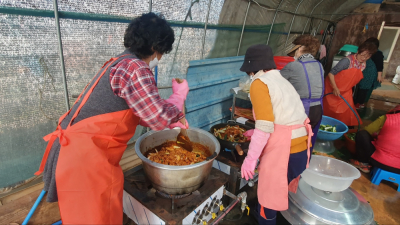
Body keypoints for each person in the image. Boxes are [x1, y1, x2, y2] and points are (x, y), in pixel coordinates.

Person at [34, 13, 189, 224]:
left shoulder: (119, 62)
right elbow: (157, 118)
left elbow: (137, 112)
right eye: (161, 52)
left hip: (75, 154)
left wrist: (172, 119)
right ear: (155, 47)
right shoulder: (135, 69)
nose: (160, 58)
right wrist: (178, 99)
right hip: (87, 161)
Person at [240, 44, 312, 225]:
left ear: (251, 69)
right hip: (301, 150)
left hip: (284, 153)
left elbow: (264, 126)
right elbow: (284, 117)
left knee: (268, 200)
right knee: (275, 195)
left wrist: (250, 159)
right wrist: (254, 131)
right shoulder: (281, 79)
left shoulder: (259, 83)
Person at [281, 35, 324, 154]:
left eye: (294, 51)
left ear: (300, 49)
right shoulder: (319, 65)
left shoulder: (294, 66)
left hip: (303, 110)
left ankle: (289, 168)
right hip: (318, 109)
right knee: (308, 141)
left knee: (296, 143)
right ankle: (303, 166)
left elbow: (277, 82)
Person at [324, 42, 377, 127]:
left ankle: (341, 127)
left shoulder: (363, 64)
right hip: (332, 87)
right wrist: (335, 88)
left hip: (346, 90)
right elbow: (331, 74)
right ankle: (326, 123)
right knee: (330, 109)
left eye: (368, 56)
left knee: (346, 111)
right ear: (358, 51)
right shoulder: (346, 61)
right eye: (363, 55)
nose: (364, 58)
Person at [350, 105, 400, 173]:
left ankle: (364, 164)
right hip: (398, 169)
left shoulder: (387, 118)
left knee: (362, 134)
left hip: (379, 161)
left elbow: (367, 130)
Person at [353, 37, 384, 108]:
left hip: (369, 74)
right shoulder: (365, 51)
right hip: (362, 70)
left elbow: (380, 66)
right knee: (358, 87)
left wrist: (379, 76)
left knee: (364, 88)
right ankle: (356, 102)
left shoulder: (378, 53)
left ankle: (359, 103)